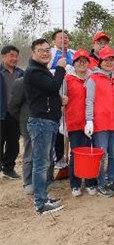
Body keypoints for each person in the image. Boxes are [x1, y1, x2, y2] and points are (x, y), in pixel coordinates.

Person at [24, 38, 67, 214]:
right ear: (33, 52)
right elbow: (52, 86)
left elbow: (47, 93)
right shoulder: (33, 71)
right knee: (41, 164)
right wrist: (61, 68)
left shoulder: (41, 70)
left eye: (48, 50)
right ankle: (41, 203)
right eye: (41, 50)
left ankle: (43, 196)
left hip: (48, 121)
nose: (45, 53)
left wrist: (59, 99)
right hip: (41, 122)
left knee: (44, 161)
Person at [86, 46, 114, 197]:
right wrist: (89, 120)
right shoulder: (93, 79)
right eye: (106, 60)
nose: (109, 62)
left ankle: (111, 180)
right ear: (100, 61)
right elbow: (89, 101)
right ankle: (101, 182)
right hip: (100, 124)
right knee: (101, 154)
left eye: (111, 60)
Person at [63, 49, 97, 197]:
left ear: (88, 63)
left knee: (90, 153)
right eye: (79, 61)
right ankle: (75, 184)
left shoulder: (94, 78)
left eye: (84, 61)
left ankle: (90, 182)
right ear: (74, 64)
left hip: (92, 122)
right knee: (76, 153)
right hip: (75, 122)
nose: (82, 64)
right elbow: (60, 97)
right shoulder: (68, 79)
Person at [1, 45, 25, 179]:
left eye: (16, 56)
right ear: (3, 56)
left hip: (15, 115)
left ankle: (8, 168)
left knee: (13, 143)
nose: (14, 59)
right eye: (11, 55)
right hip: (1, 114)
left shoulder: (21, 73)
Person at [8, 76, 33, 194]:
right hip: (28, 123)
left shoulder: (45, 78)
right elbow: (13, 106)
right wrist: (23, 118)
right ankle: (28, 182)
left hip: (43, 122)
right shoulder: (21, 82)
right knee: (29, 153)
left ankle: (47, 179)